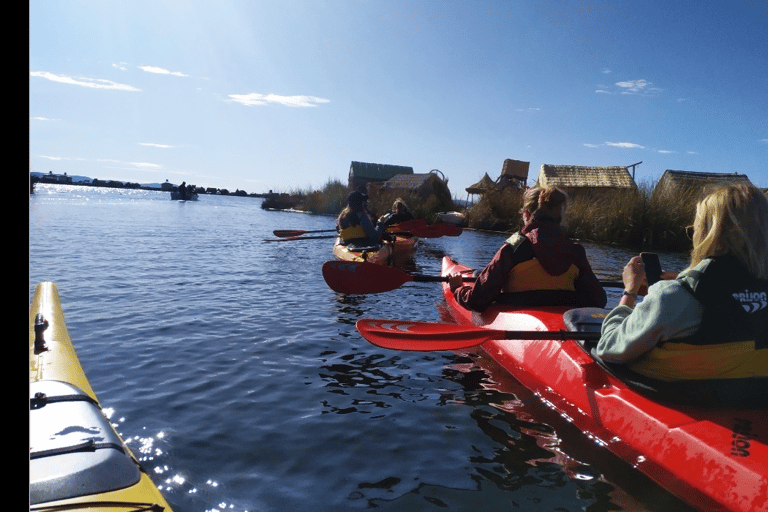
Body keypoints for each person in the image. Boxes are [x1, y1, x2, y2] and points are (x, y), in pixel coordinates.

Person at [596, 183, 768, 405]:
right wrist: (682, 281)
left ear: (709, 233)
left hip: (681, 400)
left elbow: (609, 348)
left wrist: (629, 291)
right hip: (752, 399)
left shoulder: (673, 297)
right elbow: (734, 299)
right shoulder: (678, 294)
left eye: (693, 230)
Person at [448, 185, 607, 311]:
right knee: (478, 274)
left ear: (526, 214)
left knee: (479, 275)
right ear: (559, 217)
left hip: (519, 322)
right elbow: (599, 300)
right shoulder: (575, 250)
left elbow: (477, 301)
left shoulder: (514, 246)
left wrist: (457, 289)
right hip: (563, 323)